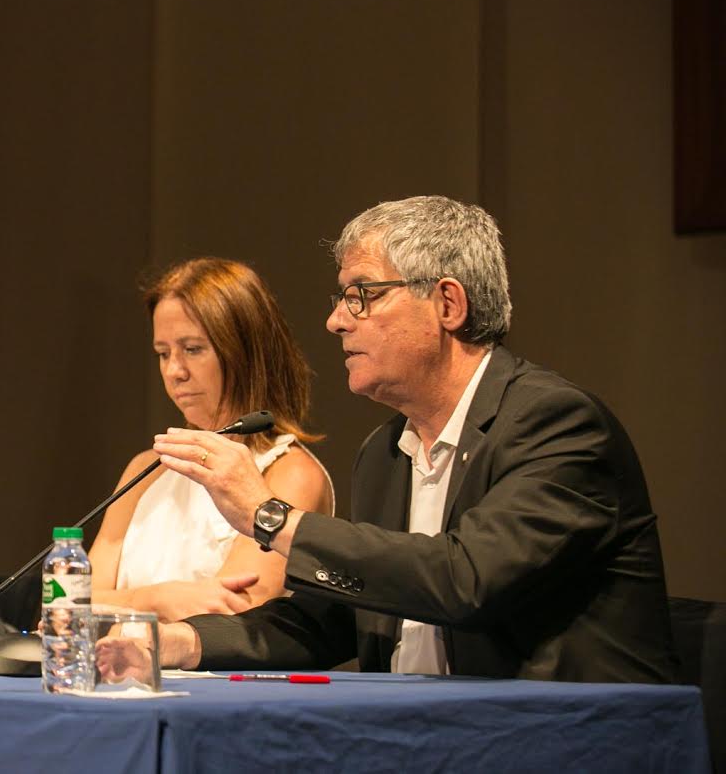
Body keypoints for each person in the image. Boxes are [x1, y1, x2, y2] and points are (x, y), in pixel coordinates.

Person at [140, 196, 676, 683]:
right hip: (420, 732)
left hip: (561, 735)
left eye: (361, 295)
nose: (335, 321)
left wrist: (270, 517)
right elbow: (339, 616)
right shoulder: (386, 451)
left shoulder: (556, 423)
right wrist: (179, 643)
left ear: (448, 304)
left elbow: (465, 580)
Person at [88, 258, 333, 622]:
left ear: (245, 351)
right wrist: (157, 599)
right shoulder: (146, 469)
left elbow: (231, 614)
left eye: (192, 349)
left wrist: (120, 605)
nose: (174, 371)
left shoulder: (289, 474)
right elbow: (67, 609)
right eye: (163, 353)